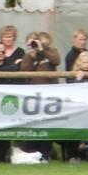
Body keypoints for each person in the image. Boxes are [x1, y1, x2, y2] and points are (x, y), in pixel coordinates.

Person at [18, 31, 61, 162]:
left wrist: (42, 51)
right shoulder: (29, 55)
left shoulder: (52, 51)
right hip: (33, 96)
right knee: (33, 125)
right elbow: (23, 71)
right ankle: (31, 153)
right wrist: (31, 57)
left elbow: (56, 61)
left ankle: (45, 154)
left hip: (49, 95)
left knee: (47, 125)